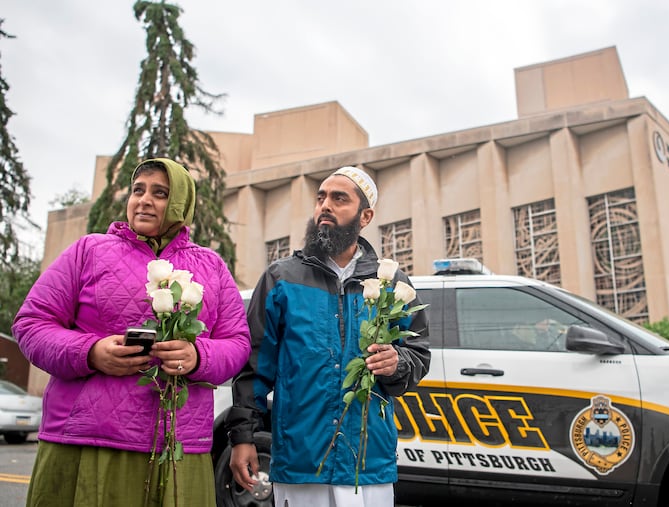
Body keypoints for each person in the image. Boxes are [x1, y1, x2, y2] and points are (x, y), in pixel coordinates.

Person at [12, 158, 251, 507]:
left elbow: (237, 342)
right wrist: (90, 352)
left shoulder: (211, 266)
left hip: (178, 444)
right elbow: (31, 323)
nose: (144, 200)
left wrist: (198, 356)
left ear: (181, 203)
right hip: (88, 439)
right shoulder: (88, 250)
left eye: (160, 193)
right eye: (138, 190)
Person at [225, 166, 431, 507]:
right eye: (321, 198)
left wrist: (397, 363)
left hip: (367, 461)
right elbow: (254, 366)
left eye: (339, 199)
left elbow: (417, 356)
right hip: (301, 459)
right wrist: (243, 437)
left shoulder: (392, 284)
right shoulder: (282, 279)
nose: (325, 206)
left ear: (366, 215)